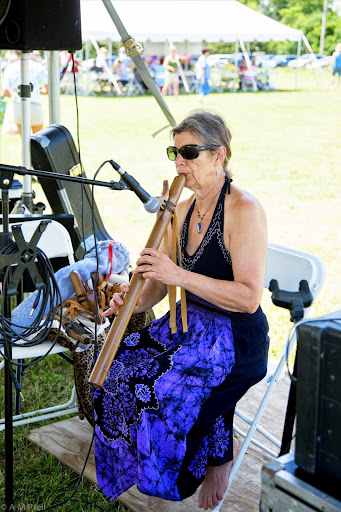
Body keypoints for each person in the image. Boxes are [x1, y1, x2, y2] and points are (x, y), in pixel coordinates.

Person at [94, 110, 269, 510]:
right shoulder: (181, 208)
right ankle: (143, 467)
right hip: (188, 325)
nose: (179, 162)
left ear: (219, 155)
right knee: (119, 369)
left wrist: (178, 275)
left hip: (235, 338)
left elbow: (248, 297)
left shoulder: (243, 209)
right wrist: (129, 301)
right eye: (174, 151)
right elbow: (156, 285)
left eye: (189, 152)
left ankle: (205, 464)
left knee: (167, 391)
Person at [2, 50, 48, 135]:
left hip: (18, 106)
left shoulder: (10, 68)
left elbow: (5, 92)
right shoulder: (37, 66)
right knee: (38, 142)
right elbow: (48, 89)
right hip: (34, 105)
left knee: (25, 143)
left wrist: (15, 94)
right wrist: (36, 91)